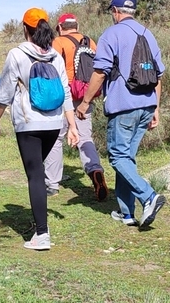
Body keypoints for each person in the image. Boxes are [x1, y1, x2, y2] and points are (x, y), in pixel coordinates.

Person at [0, 8, 79, 251]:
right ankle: (40, 226)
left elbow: (5, 93)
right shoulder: (55, 56)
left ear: (25, 29)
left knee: (35, 175)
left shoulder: (17, 54)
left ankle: (42, 234)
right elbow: (66, 92)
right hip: (54, 123)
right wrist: (72, 125)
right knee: (38, 172)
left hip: (29, 124)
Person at [75, 0, 166, 228]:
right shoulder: (148, 34)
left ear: (115, 12)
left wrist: (85, 102)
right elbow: (158, 76)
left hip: (123, 106)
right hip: (146, 104)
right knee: (127, 157)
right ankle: (126, 213)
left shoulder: (111, 34)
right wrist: (156, 107)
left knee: (117, 157)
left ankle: (148, 196)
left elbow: (100, 72)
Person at [45, 13, 108, 200]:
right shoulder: (91, 42)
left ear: (59, 27)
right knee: (84, 137)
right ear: (77, 25)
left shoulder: (58, 42)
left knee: (57, 138)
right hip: (85, 96)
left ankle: (52, 183)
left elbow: (51, 69)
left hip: (64, 96)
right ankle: (95, 169)